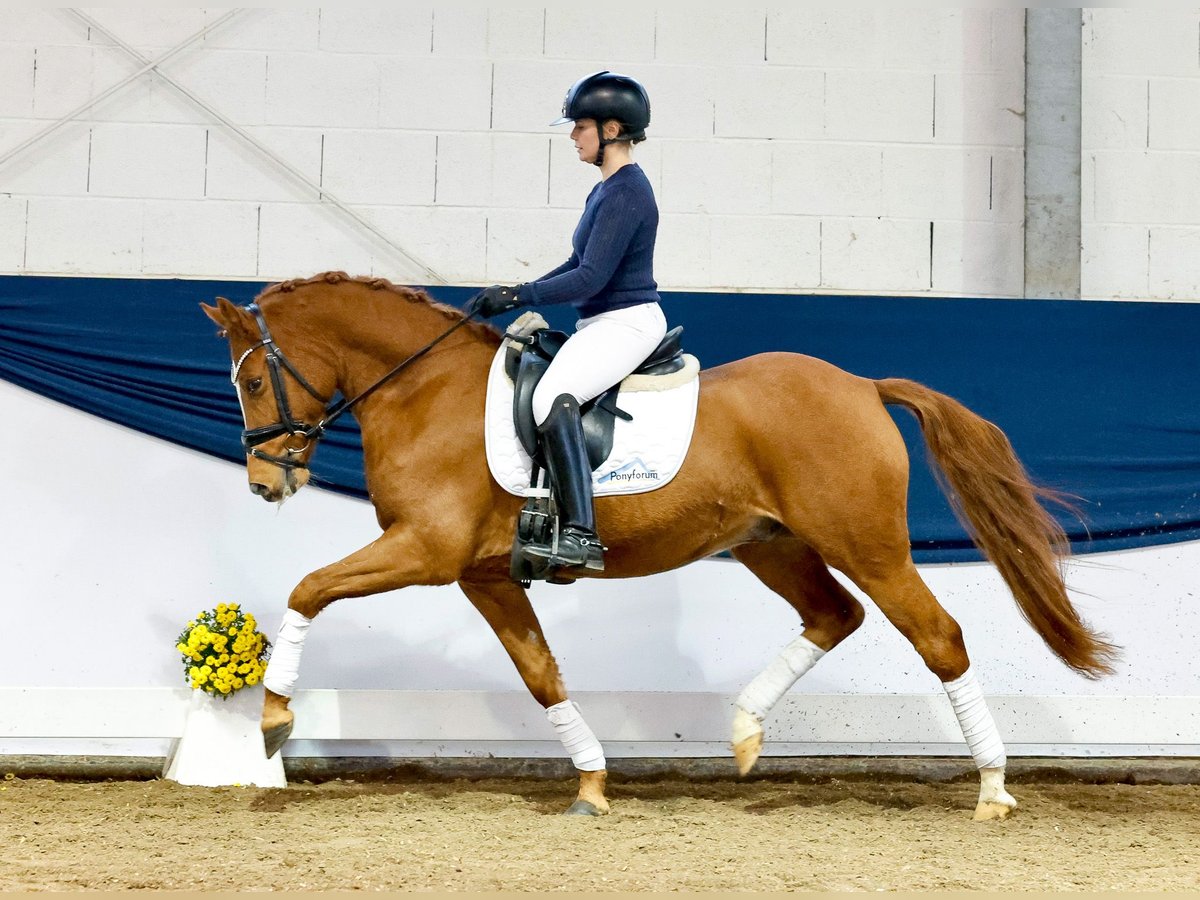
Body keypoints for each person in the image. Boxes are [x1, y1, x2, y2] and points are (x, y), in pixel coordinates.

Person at [472, 70, 667, 574]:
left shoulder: (626, 191)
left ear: (611, 130)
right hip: (603, 323)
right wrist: (517, 290)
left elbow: (590, 278)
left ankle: (581, 533)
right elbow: (575, 264)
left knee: (550, 398)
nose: (572, 136)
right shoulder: (605, 190)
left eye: (580, 126)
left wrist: (522, 294)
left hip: (626, 322)